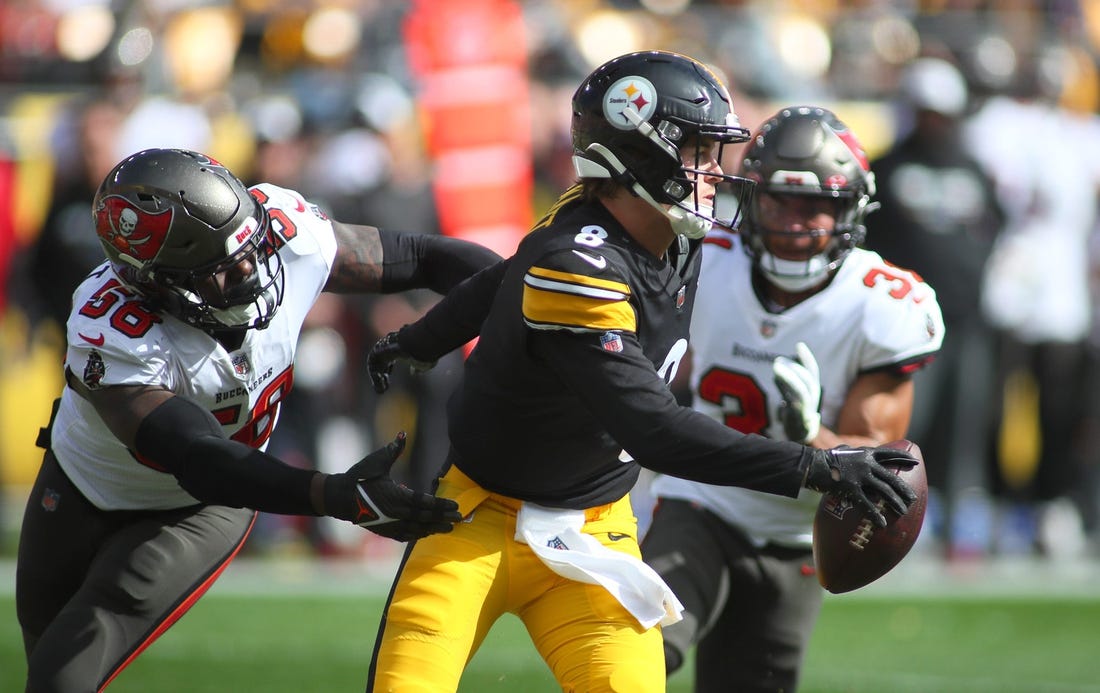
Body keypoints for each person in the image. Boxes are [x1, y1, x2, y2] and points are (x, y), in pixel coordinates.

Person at [363, 51, 919, 692]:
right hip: (474, 519)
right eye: (700, 153)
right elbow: (654, 429)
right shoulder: (577, 264)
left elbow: (501, 275)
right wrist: (817, 466)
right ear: (643, 155)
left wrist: (423, 338)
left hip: (596, 526)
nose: (717, 171)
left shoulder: (671, 233)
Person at [15, 147, 502, 692]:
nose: (251, 270)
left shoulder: (279, 230)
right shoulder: (113, 326)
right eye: (222, 269)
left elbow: (421, 256)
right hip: (88, 482)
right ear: (157, 284)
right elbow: (196, 455)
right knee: (42, 647)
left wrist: (528, 301)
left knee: (62, 675)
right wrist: (335, 496)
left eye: (250, 248)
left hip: (197, 510)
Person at [641, 105, 945, 693]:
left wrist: (813, 436)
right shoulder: (704, 259)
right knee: (641, 651)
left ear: (850, 209)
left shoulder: (881, 303)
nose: (794, 221)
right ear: (752, 198)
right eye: (779, 200)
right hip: (702, 501)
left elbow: (881, 474)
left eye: (816, 205)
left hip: (798, 533)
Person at [863, 57, 1003, 558]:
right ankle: (898, 522)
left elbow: (998, 226)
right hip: (906, 327)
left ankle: (961, 527)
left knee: (964, 425)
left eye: (939, 112)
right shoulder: (887, 167)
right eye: (924, 111)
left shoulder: (973, 167)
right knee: (907, 427)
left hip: (966, 321)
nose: (932, 122)